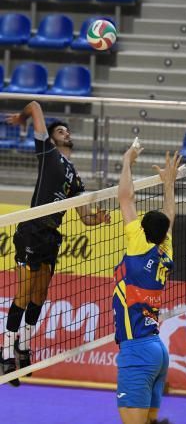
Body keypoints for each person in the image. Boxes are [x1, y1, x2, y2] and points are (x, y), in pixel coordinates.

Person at [0, 101, 110, 386]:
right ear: (52, 137)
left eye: (67, 130)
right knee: (23, 293)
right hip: (32, 230)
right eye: (60, 130)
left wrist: (99, 218)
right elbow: (36, 106)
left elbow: (85, 217)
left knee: (40, 294)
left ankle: (23, 347)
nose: (66, 132)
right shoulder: (48, 153)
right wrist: (23, 118)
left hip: (51, 236)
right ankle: (4, 353)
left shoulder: (76, 178)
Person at [114, 140, 181, 424]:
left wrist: (127, 161)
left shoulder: (138, 245)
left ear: (141, 230)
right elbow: (170, 218)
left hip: (138, 351)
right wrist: (169, 183)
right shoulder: (165, 249)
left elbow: (125, 198)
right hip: (156, 350)